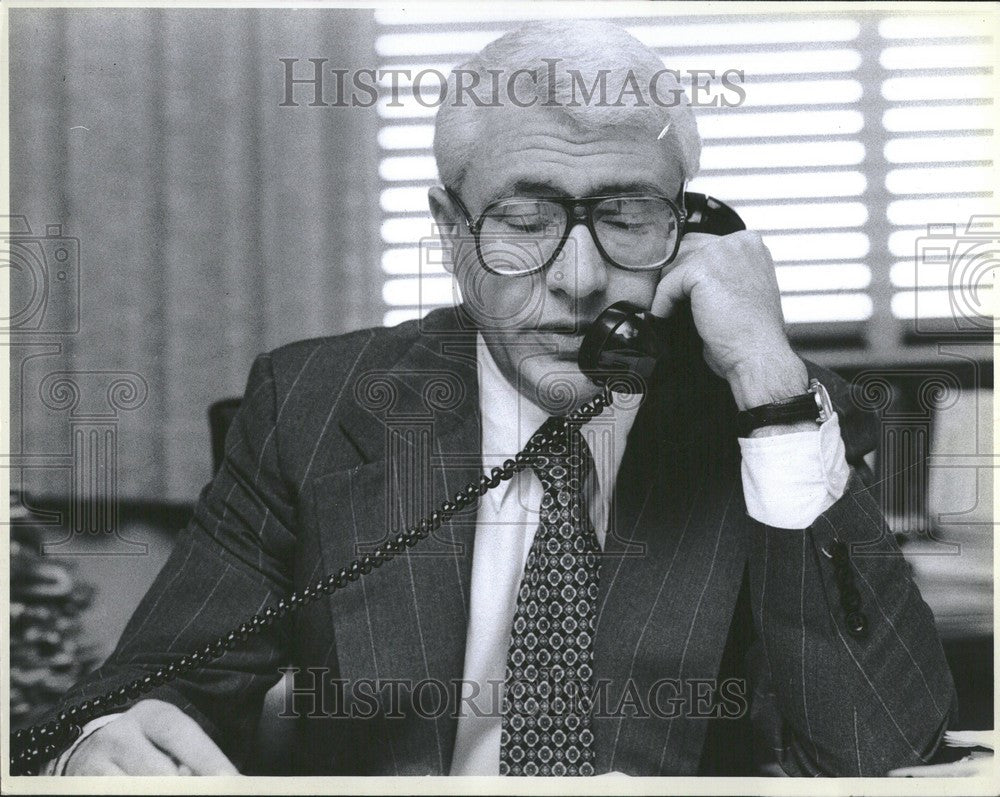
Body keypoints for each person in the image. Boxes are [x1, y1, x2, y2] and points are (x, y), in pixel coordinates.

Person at [39, 19, 955, 777]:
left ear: (690, 227)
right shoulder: (315, 405)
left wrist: (768, 385)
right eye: (526, 222)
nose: (582, 279)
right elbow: (137, 698)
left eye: (629, 217)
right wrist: (100, 746)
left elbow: (879, 748)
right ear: (453, 231)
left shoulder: (770, 414)